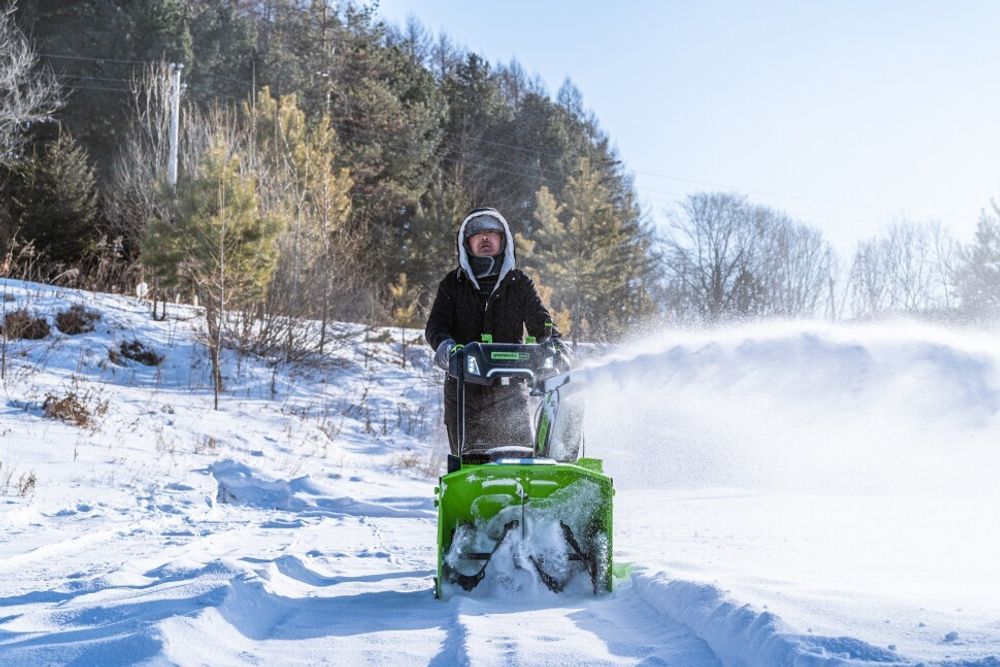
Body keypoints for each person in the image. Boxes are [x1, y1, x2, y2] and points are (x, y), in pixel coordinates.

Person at [425, 207, 562, 457]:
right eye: (478, 234)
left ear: (503, 240)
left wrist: (554, 346)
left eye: (491, 232)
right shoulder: (452, 284)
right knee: (470, 465)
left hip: (510, 392)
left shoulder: (519, 284)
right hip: (464, 394)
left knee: (519, 461)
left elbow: (542, 323)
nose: (485, 238)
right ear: (467, 243)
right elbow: (436, 326)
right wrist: (444, 345)